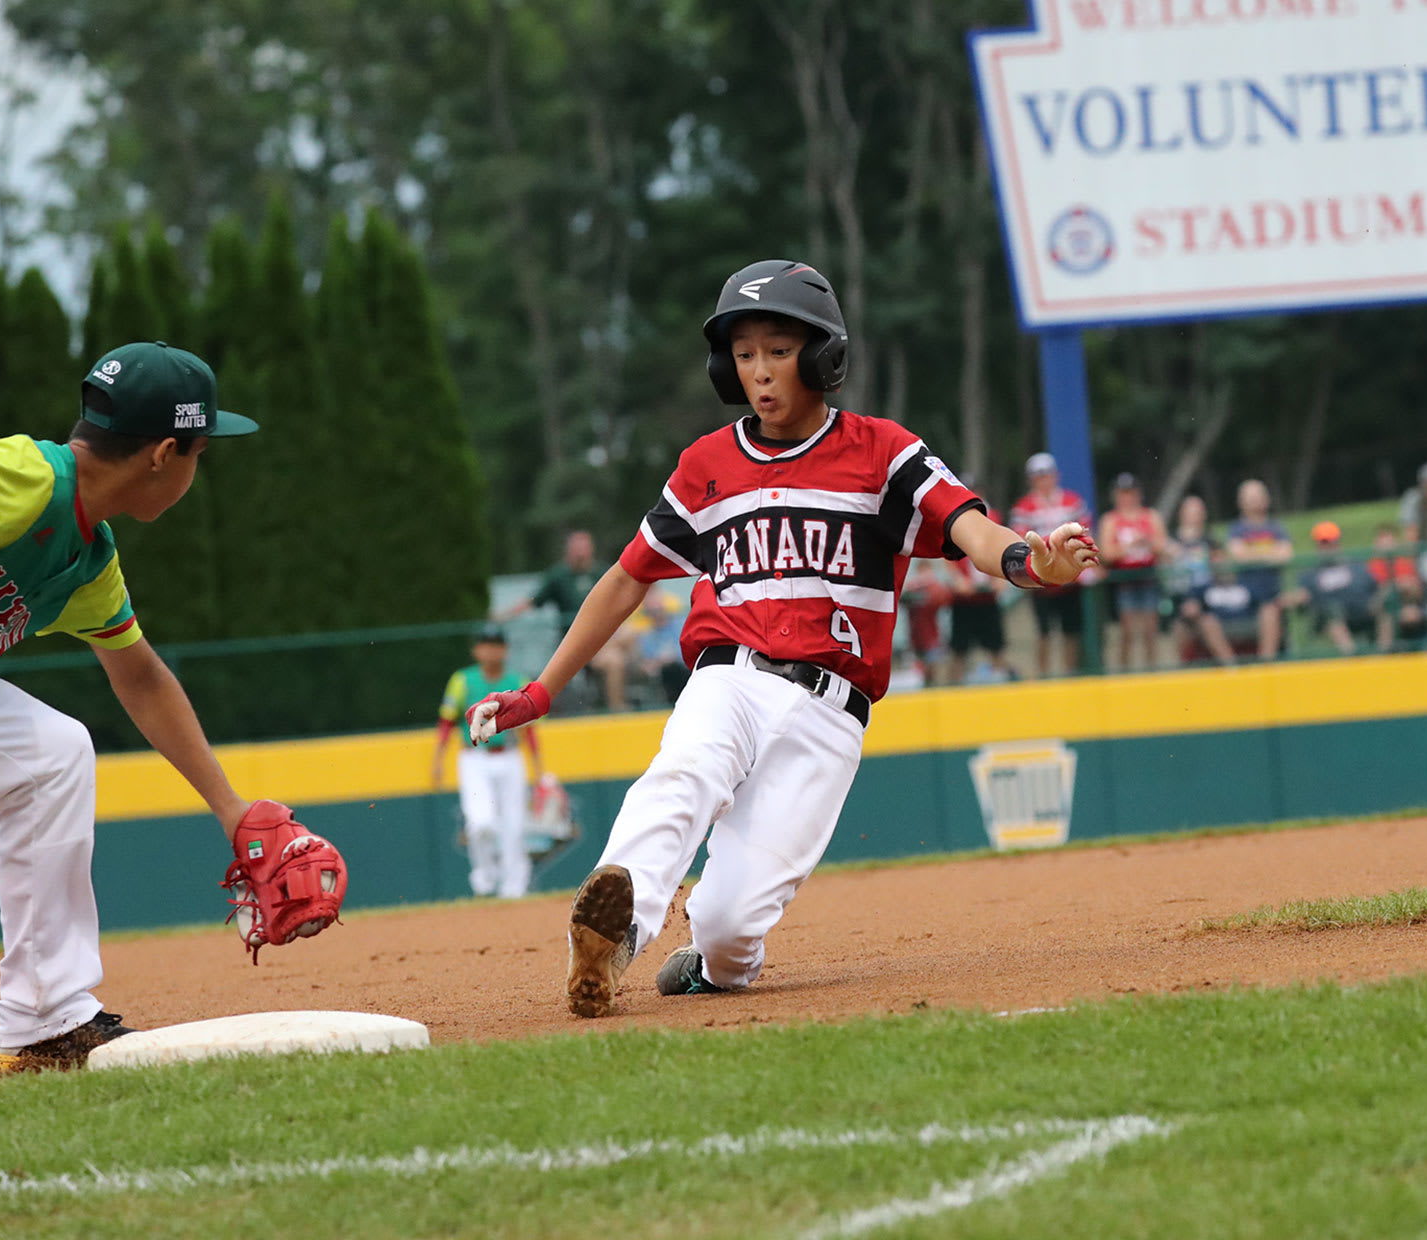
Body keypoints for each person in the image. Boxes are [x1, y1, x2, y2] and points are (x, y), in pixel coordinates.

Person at [466, 260, 1098, 1017]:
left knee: (732, 925)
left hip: (830, 711)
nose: (759, 371)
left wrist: (1032, 558)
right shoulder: (705, 466)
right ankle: (613, 935)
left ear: (824, 355)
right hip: (727, 675)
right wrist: (542, 690)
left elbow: (973, 530)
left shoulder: (881, 452)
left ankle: (714, 961)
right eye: (743, 353)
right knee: (683, 772)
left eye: (777, 349)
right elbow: (626, 578)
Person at [0, 342, 295, 1073]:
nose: (200, 467)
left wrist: (232, 810)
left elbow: (142, 679)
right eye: (201, 451)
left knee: (54, 755)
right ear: (165, 453)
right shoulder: (37, 479)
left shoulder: (88, 557)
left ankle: (46, 1019)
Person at [431, 624, 542, 898]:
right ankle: (485, 875)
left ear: (505, 649)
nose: (491, 650)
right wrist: (438, 760)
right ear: (476, 649)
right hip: (474, 757)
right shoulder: (462, 680)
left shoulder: (519, 680)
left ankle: (514, 888)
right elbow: (446, 721)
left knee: (514, 825)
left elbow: (529, 729)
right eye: (486, 644)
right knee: (480, 822)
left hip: (510, 756)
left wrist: (539, 769)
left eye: (496, 644)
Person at [502, 530, 630, 711]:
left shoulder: (603, 572)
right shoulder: (558, 576)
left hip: (608, 639)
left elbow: (627, 593)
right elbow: (533, 601)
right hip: (582, 644)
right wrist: (504, 616)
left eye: (584, 547)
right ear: (568, 550)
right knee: (614, 660)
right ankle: (618, 708)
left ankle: (644, 664)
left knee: (629, 635)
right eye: (576, 548)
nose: (580, 552)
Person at [1009, 452, 1092, 677]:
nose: (1043, 481)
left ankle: (1070, 675)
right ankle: (1043, 677)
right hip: (1040, 578)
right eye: (1038, 476)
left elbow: (1084, 533)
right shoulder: (1023, 507)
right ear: (1031, 480)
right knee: (1043, 632)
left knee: (1071, 632)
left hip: (1069, 576)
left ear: (1055, 476)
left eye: (1046, 475)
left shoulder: (1072, 501)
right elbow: (1020, 539)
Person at [1097, 472, 1166, 670]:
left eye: (1131, 493)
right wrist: (1129, 547)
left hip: (1148, 577)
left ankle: (1152, 670)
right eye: (1123, 493)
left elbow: (1162, 545)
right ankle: (1125, 671)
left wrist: (1148, 543)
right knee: (1127, 631)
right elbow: (1107, 553)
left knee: (1150, 630)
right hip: (1124, 580)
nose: (1127, 498)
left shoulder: (1150, 516)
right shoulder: (1110, 520)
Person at [1280, 521, 1376, 654]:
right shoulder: (1310, 573)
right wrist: (1295, 598)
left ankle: (1385, 652)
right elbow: (1302, 595)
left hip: (1361, 609)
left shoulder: (1356, 564)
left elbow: (1372, 584)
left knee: (1383, 605)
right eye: (1324, 543)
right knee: (1332, 613)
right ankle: (1352, 655)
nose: (1328, 547)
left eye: (1331, 542)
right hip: (1328, 615)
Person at [1224, 479, 1293, 659]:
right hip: (1243, 595)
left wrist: (1251, 553)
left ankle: (1266, 663)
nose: (1255, 501)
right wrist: (1269, 553)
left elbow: (1285, 555)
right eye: (1250, 497)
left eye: (1258, 496)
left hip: (1271, 593)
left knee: (1271, 606)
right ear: (1241, 502)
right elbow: (1237, 554)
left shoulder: (1277, 528)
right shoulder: (1236, 529)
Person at [1165, 493, 1235, 664]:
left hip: (1206, 601)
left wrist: (1219, 563)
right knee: (1179, 628)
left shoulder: (1211, 542)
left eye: (1198, 511)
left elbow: (1226, 575)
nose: (1194, 516)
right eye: (1190, 511)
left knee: (1207, 621)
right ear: (1182, 514)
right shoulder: (1170, 542)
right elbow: (1166, 577)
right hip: (1177, 601)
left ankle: (1231, 668)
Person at [944, 551, 1009, 683]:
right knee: (958, 650)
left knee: (996, 648)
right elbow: (946, 558)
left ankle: (1000, 684)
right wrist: (957, 579)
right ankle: (953, 686)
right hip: (963, 603)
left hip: (988, 601)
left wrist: (1000, 578)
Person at [1366, 524, 1427, 649]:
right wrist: (1395, 586)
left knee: (1412, 611)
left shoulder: (1404, 564)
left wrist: (1404, 585)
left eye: (1390, 542)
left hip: (1407, 605)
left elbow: (1417, 590)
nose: (1387, 547)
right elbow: (1376, 597)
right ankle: (1384, 654)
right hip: (1381, 609)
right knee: (1388, 616)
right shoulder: (1372, 567)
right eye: (1383, 543)